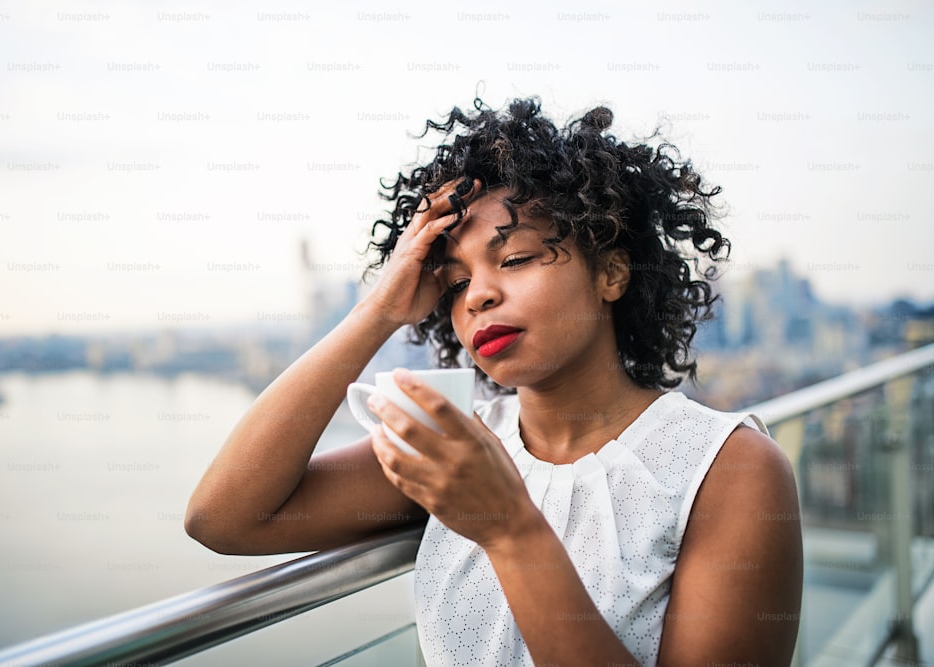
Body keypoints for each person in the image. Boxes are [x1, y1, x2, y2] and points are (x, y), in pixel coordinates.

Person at [186, 97, 803, 666]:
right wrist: (376, 311)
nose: (478, 294)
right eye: (454, 283)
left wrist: (509, 526)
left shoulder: (729, 470)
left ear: (612, 271)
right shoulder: (458, 451)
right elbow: (225, 517)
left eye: (513, 259)